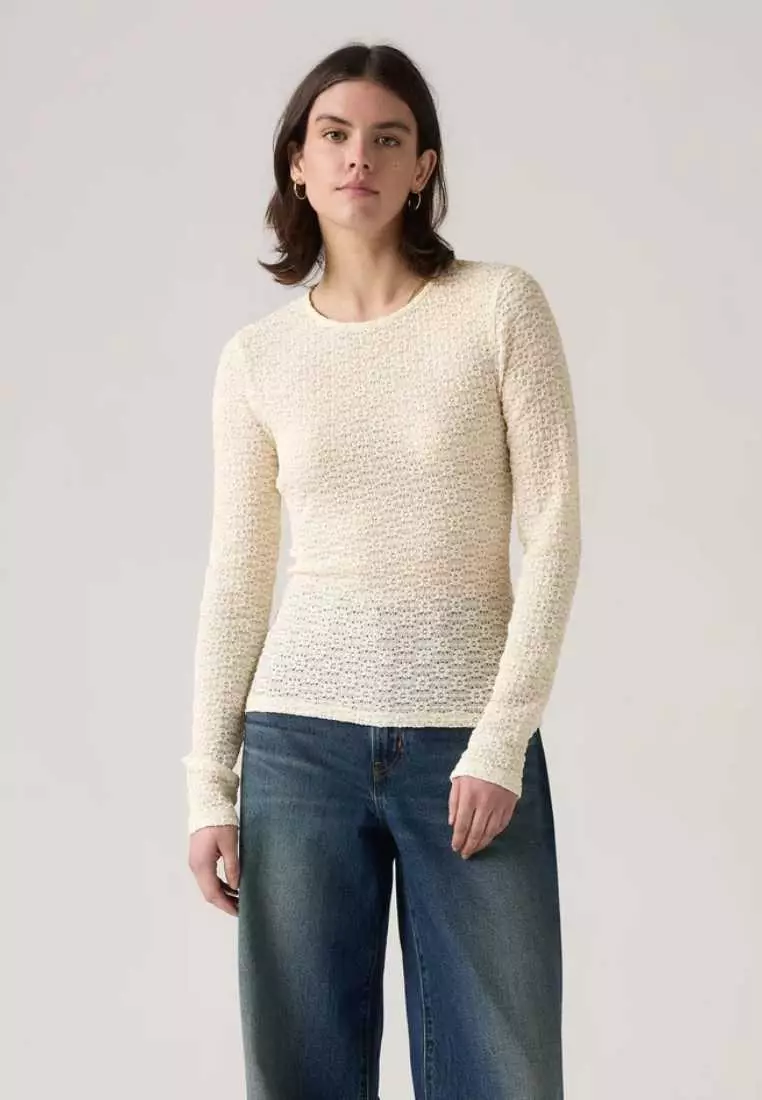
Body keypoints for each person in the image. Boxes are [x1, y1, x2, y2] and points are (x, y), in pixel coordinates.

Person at [182, 40, 581, 1100]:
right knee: (299, 1078)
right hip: (296, 747)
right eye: (335, 135)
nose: (359, 156)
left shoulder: (499, 308)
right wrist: (208, 784)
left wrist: (501, 740)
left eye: (387, 138)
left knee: (504, 1075)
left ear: (422, 169)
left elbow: (553, 531)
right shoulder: (257, 360)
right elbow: (237, 576)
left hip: (468, 747)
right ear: (299, 162)